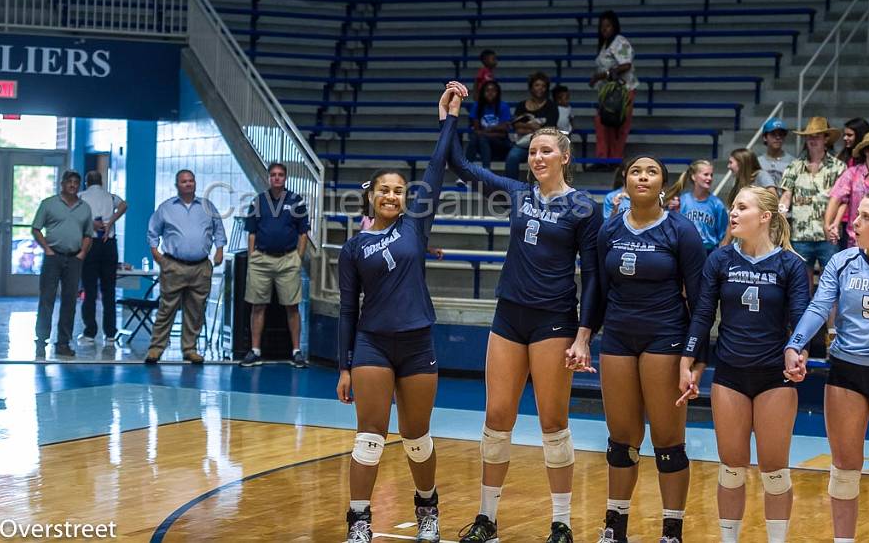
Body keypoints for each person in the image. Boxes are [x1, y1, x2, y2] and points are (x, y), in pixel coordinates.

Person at [442, 82, 600, 543]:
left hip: (554, 321)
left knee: (553, 423)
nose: (537, 158)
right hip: (509, 317)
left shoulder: (583, 208)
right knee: (496, 418)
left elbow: (592, 275)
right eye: (533, 151)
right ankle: (487, 520)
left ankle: (561, 523)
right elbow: (460, 165)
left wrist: (584, 335)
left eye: (546, 151)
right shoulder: (517, 192)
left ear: (564, 157)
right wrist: (450, 115)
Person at [336, 90, 460, 543]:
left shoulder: (415, 226)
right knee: (369, 438)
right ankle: (359, 520)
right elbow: (349, 309)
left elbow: (437, 167)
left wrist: (447, 120)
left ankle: (428, 509)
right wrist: (344, 365)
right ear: (369, 196)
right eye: (384, 189)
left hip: (416, 343)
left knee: (416, 437)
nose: (391, 195)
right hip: (371, 345)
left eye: (398, 190)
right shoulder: (353, 248)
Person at [566, 155, 705, 543]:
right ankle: (615, 526)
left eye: (651, 172)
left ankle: (671, 531)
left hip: (666, 338)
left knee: (667, 442)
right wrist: (584, 336)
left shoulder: (682, 232)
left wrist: (696, 357)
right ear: (625, 181)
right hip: (618, 339)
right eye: (635, 171)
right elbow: (595, 289)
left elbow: (701, 301)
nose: (642, 177)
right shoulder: (609, 230)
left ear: (664, 183)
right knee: (621, 440)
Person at [679, 186, 810, 543]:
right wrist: (688, 361)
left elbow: (801, 320)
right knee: (732, 470)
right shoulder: (719, 260)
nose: (732, 213)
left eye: (741, 207)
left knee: (774, 472)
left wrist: (799, 352)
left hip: (775, 378)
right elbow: (703, 314)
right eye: (733, 207)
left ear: (765, 217)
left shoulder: (791, 264)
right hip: (730, 376)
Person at [785, 191, 869, 543]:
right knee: (843, 471)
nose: (854, 222)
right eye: (857, 215)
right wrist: (796, 344)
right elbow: (818, 308)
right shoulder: (841, 262)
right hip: (845, 371)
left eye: (866, 217)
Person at [146, 169, 226, 365]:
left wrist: (219, 250)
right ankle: (156, 348)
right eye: (184, 181)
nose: (188, 184)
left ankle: (189, 349)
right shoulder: (166, 208)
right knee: (167, 309)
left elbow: (219, 230)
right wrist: (157, 255)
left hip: (200, 267)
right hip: (174, 265)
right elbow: (152, 233)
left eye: (191, 181)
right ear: (177, 185)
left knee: (196, 310)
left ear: (195, 183)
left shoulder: (208, 207)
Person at [241, 163, 310, 368]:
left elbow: (303, 232)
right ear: (268, 178)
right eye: (273, 175)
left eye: (280, 175)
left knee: (292, 306)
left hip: (288, 259)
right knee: (257, 305)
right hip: (261, 259)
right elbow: (252, 231)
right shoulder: (258, 201)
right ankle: (255, 351)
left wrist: (298, 257)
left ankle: (296, 351)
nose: (277, 178)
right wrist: (252, 256)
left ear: (285, 178)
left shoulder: (296, 201)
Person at [32, 170, 94, 358]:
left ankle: (63, 343)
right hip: (53, 256)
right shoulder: (49, 204)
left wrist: (82, 253)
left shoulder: (85, 208)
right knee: (47, 299)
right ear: (62, 183)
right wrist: (48, 250)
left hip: (74, 258)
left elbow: (88, 234)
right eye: (69, 182)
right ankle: (41, 341)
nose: (73, 185)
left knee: (69, 302)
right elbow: (36, 229)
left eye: (76, 182)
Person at [778, 117, 847, 282]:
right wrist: (779, 215)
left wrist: (836, 224)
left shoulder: (839, 167)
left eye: (817, 135)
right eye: (809, 136)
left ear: (826, 139)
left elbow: (844, 200)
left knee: (830, 284)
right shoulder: (794, 166)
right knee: (801, 283)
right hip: (800, 235)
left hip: (828, 235)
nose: (813, 139)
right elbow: (786, 196)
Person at [78, 171, 128, 347]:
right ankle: (111, 333)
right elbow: (124, 205)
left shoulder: (81, 196)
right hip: (109, 244)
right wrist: (111, 222)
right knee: (109, 290)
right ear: (101, 181)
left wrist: (91, 223)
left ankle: (90, 332)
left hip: (90, 244)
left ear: (86, 182)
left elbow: (76, 214)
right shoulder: (110, 196)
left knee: (89, 290)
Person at [591, 10, 638, 167]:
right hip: (607, 93)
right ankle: (603, 160)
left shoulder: (620, 42)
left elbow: (626, 64)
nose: (604, 29)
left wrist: (602, 75)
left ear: (614, 27)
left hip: (622, 93)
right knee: (603, 124)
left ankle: (615, 161)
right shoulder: (605, 44)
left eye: (608, 26)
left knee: (618, 126)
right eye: (602, 26)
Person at [665, 160, 729, 253]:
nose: (709, 178)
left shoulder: (717, 204)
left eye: (711, 175)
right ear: (694, 176)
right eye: (706, 174)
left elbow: (722, 232)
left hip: (708, 251)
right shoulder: (683, 200)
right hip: (685, 250)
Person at [506, 72, 559, 181]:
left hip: (543, 146)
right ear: (531, 88)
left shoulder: (551, 106)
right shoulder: (521, 105)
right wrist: (535, 127)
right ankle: (511, 189)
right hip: (523, 144)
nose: (540, 88)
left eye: (543, 86)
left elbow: (550, 130)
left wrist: (527, 126)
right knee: (512, 157)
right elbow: (517, 127)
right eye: (537, 85)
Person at [465, 80, 513, 169]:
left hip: (499, 145)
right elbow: (476, 130)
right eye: (487, 91)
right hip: (482, 144)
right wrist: (494, 130)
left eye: (493, 91)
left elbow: (503, 133)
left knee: (481, 138)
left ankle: (470, 171)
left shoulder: (503, 106)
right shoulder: (477, 106)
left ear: (497, 93)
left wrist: (486, 131)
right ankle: (472, 171)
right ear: (483, 93)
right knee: (477, 138)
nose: (490, 93)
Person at [759, 118, 795, 189]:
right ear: (765, 137)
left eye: (781, 134)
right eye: (773, 134)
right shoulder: (757, 162)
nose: (778, 137)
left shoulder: (793, 162)